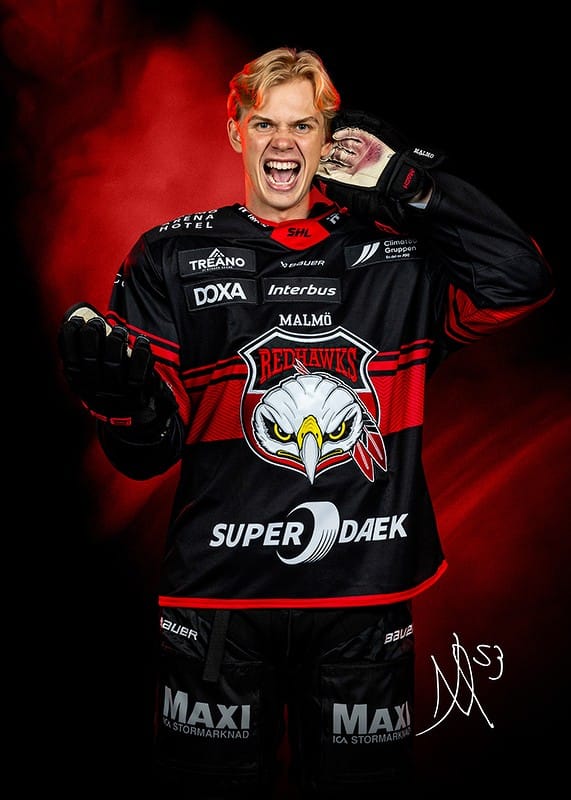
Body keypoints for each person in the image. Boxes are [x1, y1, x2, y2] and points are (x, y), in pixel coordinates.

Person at [57, 46, 553, 798]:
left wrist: (408, 183)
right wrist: (125, 406)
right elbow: (145, 453)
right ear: (236, 132)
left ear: (331, 139)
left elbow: (521, 280)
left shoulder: (402, 255)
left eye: (303, 125)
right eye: (265, 123)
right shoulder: (170, 253)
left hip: (363, 599)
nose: (282, 142)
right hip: (219, 601)